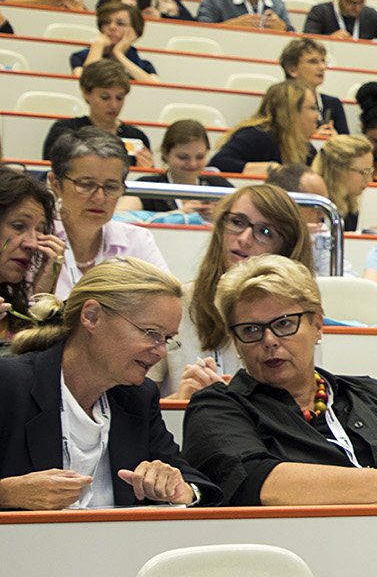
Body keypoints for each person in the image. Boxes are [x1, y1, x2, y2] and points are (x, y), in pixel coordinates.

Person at [183, 257, 377, 505]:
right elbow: (259, 482)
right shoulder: (216, 407)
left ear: (317, 326)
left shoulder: (367, 393)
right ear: (235, 341)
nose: (269, 340)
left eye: (284, 324)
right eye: (251, 330)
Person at [0, 260, 215, 510]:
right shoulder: (9, 384)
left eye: (167, 339)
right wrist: (6, 495)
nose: (161, 352)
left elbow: (196, 485)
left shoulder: (137, 398)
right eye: (150, 332)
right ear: (92, 316)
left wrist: (181, 489)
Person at [168, 186, 311, 400]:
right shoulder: (175, 303)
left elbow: (306, 401)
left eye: (265, 232)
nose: (244, 239)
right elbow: (138, 409)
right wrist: (179, 402)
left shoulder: (300, 314)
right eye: (237, 222)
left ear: (286, 249)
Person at [49, 132, 165, 298]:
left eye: (111, 187)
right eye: (86, 185)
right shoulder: (33, 238)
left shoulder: (137, 241)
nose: (99, 198)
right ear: (56, 184)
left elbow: (167, 302)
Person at [42, 60, 153, 168]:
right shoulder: (65, 131)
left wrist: (145, 171)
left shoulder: (136, 136)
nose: (113, 105)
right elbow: (50, 172)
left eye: (119, 98)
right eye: (105, 97)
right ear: (85, 92)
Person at [211, 81, 318, 175]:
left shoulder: (305, 147)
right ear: (291, 111)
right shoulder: (256, 135)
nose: (317, 115)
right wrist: (272, 169)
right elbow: (218, 164)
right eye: (312, 108)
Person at [0, 170, 59, 341]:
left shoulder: (10, 308)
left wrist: (43, 298)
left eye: (39, 231)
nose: (33, 244)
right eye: (18, 226)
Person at [130, 121, 229, 214]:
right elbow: (123, 215)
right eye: (183, 157)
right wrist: (177, 215)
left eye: (200, 157)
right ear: (165, 154)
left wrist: (221, 216)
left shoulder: (220, 186)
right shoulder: (147, 186)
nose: (192, 164)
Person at [280, 36, 349, 135]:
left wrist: (336, 140)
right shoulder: (279, 101)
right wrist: (313, 139)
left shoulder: (334, 103)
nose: (322, 67)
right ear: (292, 70)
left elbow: (348, 142)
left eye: (323, 61)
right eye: (313, 62)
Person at [69, 0, 156, 79]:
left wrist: (118, 54)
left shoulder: (144, 65)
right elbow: (84, 81)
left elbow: (153, 87)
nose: (112, 27)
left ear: (135, 32)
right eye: (106, 22)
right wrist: (98, 45)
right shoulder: (80, 57)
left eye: (120, 23)